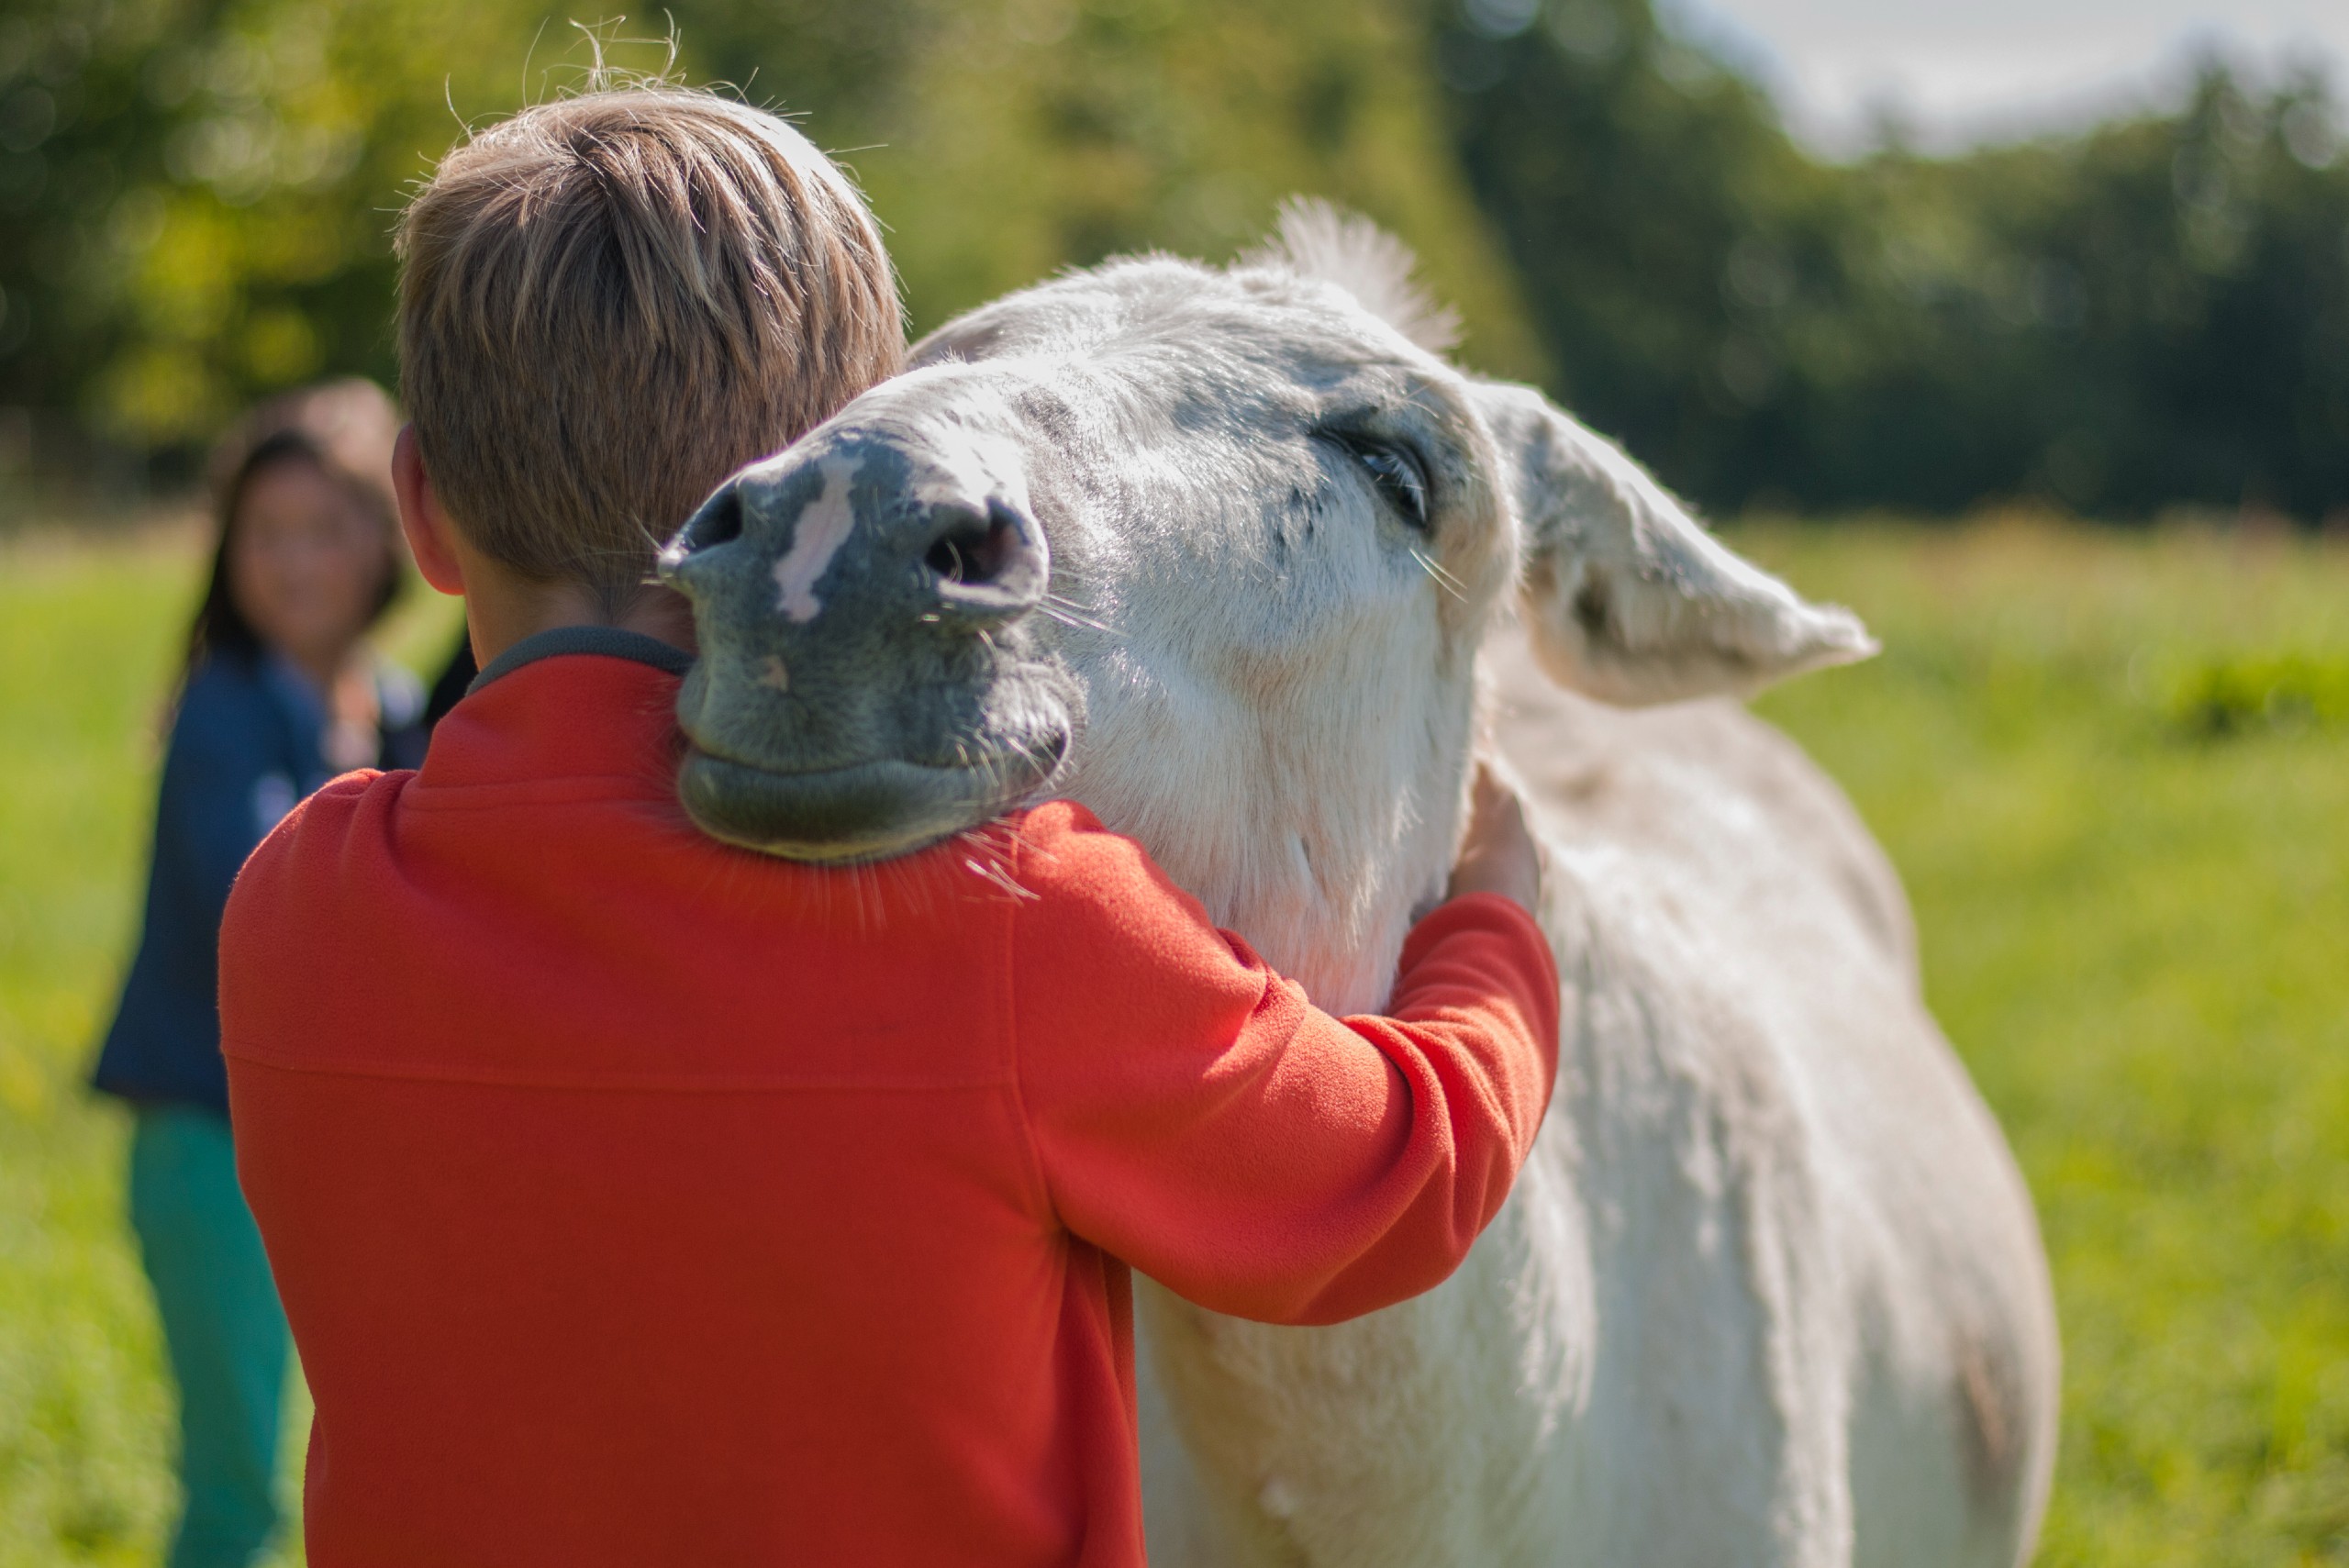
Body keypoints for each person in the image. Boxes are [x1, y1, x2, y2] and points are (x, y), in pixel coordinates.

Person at [216, 87, 1558, 1567]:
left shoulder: (295, 904)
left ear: (418, 509)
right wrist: (1496, 915)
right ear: (849, 477)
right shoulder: (1008, 921)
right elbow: (1397, 1173)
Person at [91, 377, 427, 1568]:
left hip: (320, 1150)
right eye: (266, 534)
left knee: (340, 1463)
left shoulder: (391, 705)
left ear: (389, 543)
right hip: (206, 1145)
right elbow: (262, 893)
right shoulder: (222, 712)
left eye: (325, 530)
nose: (294, 563)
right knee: (239, 1495)